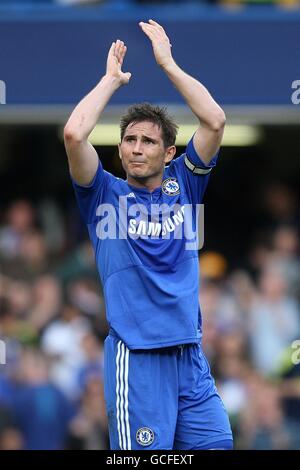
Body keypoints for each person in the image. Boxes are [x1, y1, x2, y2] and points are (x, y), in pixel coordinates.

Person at [64, 19, 233, 450]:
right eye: (129, 140)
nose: (136, 148)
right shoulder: (103, 193)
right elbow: (73, 133)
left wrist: (168, 64)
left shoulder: (186, 183)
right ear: (119, 148)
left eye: (148, 141)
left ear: (169, 152)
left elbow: (214, 120)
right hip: (136, 359)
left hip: (189, 358)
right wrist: (109, 81)